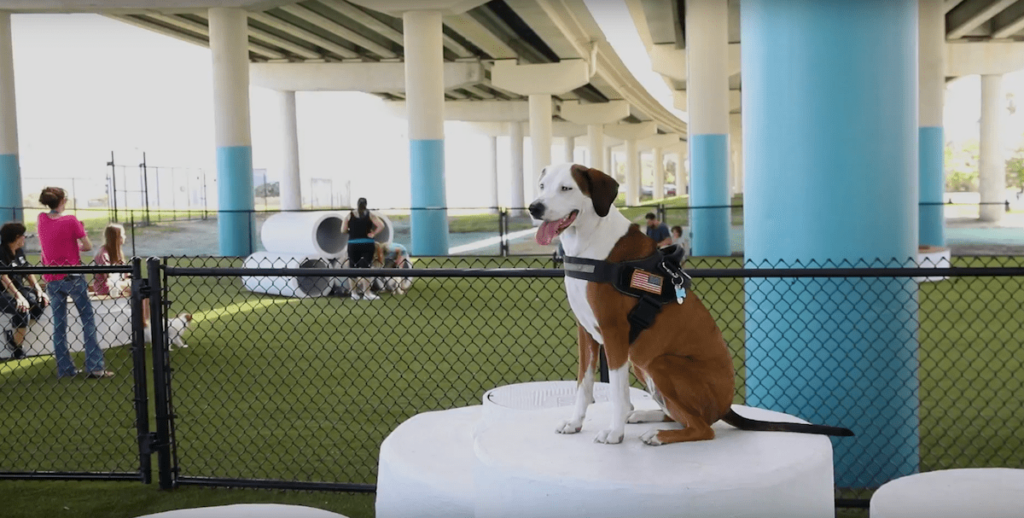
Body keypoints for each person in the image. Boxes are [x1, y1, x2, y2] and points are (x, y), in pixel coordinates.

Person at [37, 187, 113, 379]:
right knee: (87, 319)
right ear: (63, 200)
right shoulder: (71, 220)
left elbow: (49, 242)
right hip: (73, 275)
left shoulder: (41, 219)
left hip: (52, 278)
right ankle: (95, 367)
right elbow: (87, 246)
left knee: (59, 325)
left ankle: (65, 369)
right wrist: (76, 241)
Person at [1, 222, 50, 360]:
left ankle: (14, 340)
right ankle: (18, 349)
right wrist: (19, 297)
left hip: (18, 288)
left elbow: (27, 271)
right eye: (24, 235)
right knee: (22, 309)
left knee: (40, 302)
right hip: (3, 291)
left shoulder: (19, 251)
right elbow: (3, 277)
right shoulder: (1, 252)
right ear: (17, 237)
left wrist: (39, 290)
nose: (25, 238)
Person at [93, 223, 149, 328]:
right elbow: (108, 276)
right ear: (116, 237)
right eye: (122, 234)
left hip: (117, 284)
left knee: (144, 288)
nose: (125, 237)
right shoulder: (103, 253)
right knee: (141, 289)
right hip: (106, 286)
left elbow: (125, 275)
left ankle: (145, 320)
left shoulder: (118, 252)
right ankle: (144, 323)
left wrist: (125, 281)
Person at [341, 197, 384, 301]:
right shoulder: (370, 214)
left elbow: (343, 229)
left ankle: (354, 294)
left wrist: (352, 231)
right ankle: (367, 293)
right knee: (366, 268)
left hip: (353, 244)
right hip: (367, 243)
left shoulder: (350, 215)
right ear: (366, 204)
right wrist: (373, 233)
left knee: (352, 268)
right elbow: (381, 225)